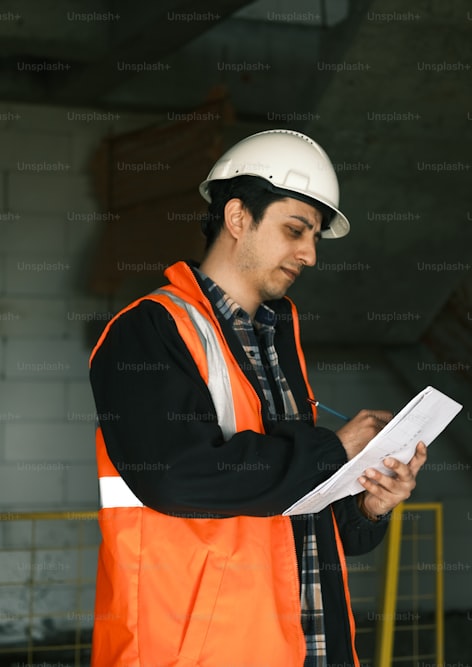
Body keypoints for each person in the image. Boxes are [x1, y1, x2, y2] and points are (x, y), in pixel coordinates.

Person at [88, 129, 428, 666]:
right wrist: (329, 452)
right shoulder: (150, 331)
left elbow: (292, 512)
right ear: (238, 218)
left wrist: (367, 505)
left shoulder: (275, 340)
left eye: (313, 236)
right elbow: (176, 475)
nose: (310, 254)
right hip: (196, 652)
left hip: (304, 647)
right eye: (296, 230)